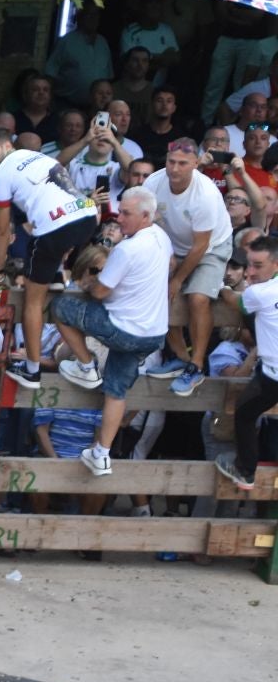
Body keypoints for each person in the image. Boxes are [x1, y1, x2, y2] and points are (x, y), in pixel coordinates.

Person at [48, 188, 172, 477]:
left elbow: (102, 292)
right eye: (120, 211)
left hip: (123, 329)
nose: (119, 217)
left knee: (61, 306)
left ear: (145, 216)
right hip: (153, 335)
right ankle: (101, 453)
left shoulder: (127, 249)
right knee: (116, 391)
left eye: (126, 213)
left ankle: (86, 365)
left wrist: (87, 286)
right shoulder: (162, 239)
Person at [0, 125, 101, 390]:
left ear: (7, 146)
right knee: (44, 251)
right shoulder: (39, 156)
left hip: (54, 229)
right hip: (89, 215)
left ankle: (31, 369)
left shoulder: (1, 175)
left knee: (32, 302)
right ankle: (55, 276)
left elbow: (0, 229)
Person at [146, 139, 234, 390]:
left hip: (212, 246)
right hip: (173, 243)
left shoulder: (205, 193)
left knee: (197, 298)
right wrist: (165, 253)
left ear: (196, 164)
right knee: (161, 296)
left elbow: (200, 247)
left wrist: (176, 279)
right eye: (171, 162)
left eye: (182, 163)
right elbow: (149, 222)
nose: (174, 169)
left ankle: (196, 366)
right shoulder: (153, 181)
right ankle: (181, 359)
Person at [214, 236, 278, 490]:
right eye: (249, 265)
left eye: (258, 265)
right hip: (270, 369)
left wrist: (221, 287)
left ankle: (246, 471)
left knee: (243, 415)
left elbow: (234, 301)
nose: (251, 272)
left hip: (273, 374)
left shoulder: (259, 293)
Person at [44, 6, 112, 108]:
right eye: (89, 14)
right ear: (80, 17)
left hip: (97, 108)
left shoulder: (103, 43)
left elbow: (109, 77)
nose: (93, 18)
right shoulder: (66, 42)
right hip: (67, 105)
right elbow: (50, 74)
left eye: (96, 15)